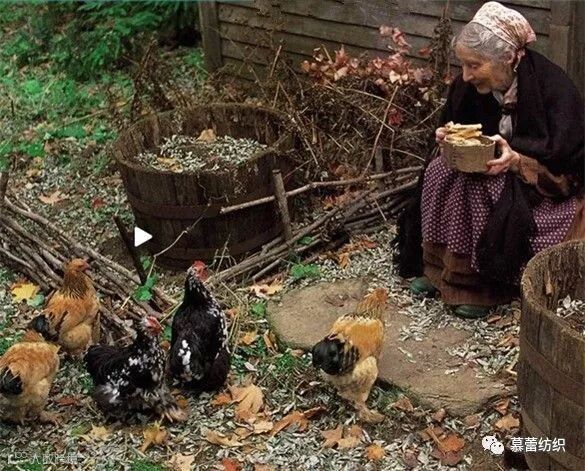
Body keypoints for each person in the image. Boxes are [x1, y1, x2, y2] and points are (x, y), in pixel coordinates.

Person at [400, 1, 584, 318]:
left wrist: (517, 161)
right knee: (439, 171)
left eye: (474, 65)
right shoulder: (467, 86)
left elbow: (569, 172)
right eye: (463, 65)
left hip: (544, 188)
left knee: (482, 187)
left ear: (508, 58)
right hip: (490, 170)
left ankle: (480, 287)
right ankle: (440, 270)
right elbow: (459, 128)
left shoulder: (555, 90)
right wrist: (448, 139)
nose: (466, 75)